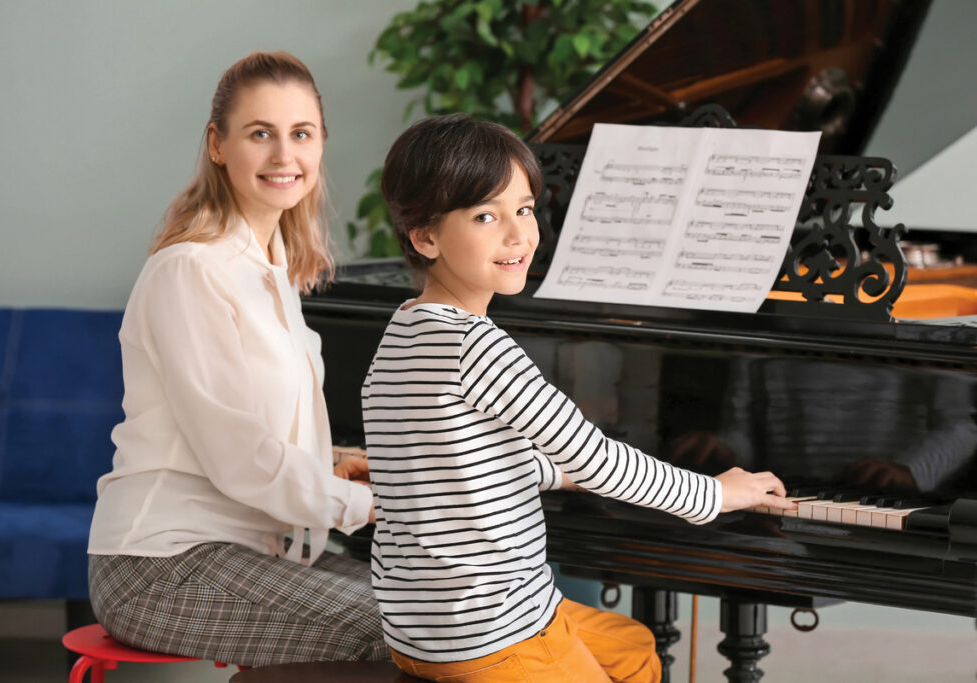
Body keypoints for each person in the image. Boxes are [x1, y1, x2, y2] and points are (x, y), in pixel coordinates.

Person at [362, 113, 797, 683]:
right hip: (494, 633)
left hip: (422, 629)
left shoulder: (404, 330)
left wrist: (553, 471)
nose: (519, 234)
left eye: (522, 208)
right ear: (426, 237)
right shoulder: (478, 346)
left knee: (633, 644)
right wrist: (716, 493)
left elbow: (458, 462)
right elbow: (598, 459)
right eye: (486, 216)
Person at [86, 51, 388, 668]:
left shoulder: (274, 271)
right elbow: (236, 454)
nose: (284, 156)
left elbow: (243, 431)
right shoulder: (190, 270)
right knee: (404, 631)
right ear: (218, 145)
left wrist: (335, 464)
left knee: (443, 610)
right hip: (160, 566)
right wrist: (372, 506)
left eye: (300, 134)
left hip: (255, 552)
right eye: (260, 133)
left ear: (321, 144)